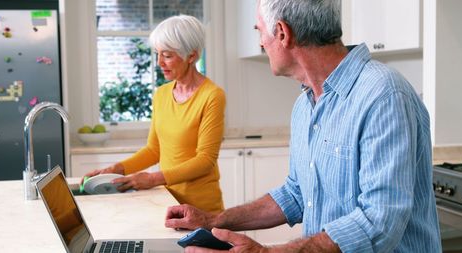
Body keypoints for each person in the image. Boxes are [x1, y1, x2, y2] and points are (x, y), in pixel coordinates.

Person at [164, 0, 442, 252]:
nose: (261, 42)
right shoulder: (305, 105)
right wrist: (213, 219)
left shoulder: (383, 95)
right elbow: (296, 194)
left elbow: (379, 221)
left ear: (283, 33)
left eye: (260, 31)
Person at [84, 15, 226, 213]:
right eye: (157, 54)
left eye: (167, 55)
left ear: (191, 56)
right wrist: (116, 169)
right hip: (166, 200)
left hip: (201, 207)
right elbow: (154, 150)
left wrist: (151, 179)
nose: (159, 62)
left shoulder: (212, 96)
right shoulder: (162, 94)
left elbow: (205, 161)